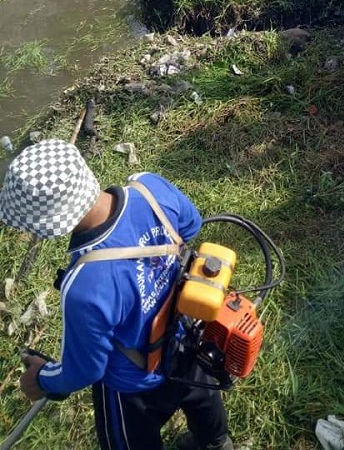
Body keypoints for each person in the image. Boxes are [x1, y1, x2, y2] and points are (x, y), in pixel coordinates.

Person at [0, 139, 232, 450]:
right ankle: (216, 442)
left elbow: (85, 370)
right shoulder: (150, 189)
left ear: (49, 224)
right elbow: (192, 224)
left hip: (132, 386)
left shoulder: (83, 286)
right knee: (202, 395)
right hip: (187, 337)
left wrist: (42, 379)